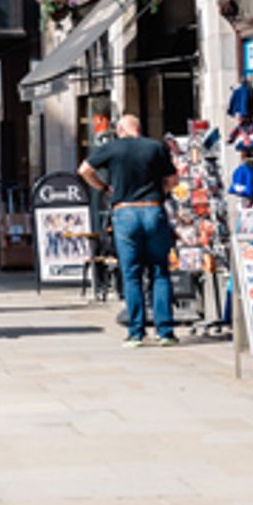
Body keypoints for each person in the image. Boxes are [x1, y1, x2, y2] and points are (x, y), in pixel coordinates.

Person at [80, 114, 180, 347]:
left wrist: (104, 187)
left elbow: (84, 170)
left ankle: (136, 332)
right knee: (160, 271)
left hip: (124, 212)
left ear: (121, 130)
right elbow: (173, 179)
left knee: (132, 272)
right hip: (152, 209)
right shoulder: (156, 147)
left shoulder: (112, 148)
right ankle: (165, 332)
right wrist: (162, 191)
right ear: (139, 128)